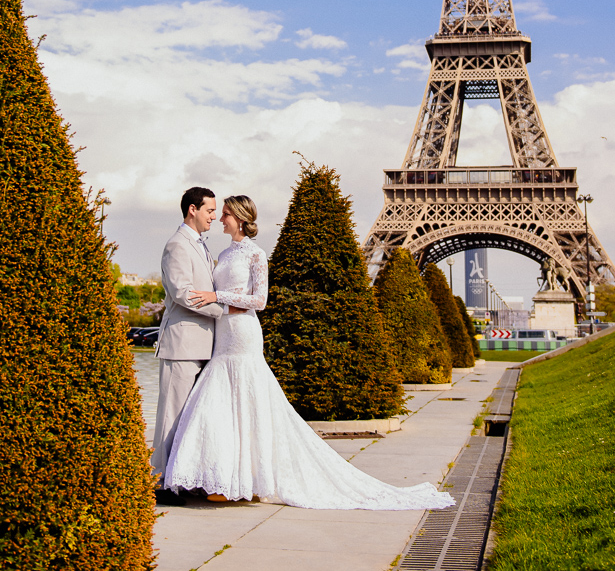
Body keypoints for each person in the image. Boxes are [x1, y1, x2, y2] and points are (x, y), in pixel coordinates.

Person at [164, 195, 455, 511]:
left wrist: (216, 296)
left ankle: (246, 479)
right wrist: (216, 300)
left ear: (240, 217)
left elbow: (259, 300)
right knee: (223, 403)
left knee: (247, 401)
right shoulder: (221, 253)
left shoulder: (256, 254)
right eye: (217, 213)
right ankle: (229, 477)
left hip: (244, 334)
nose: (220, 219)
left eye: (225, 214)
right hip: (223, 335)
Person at [151, 186, 224, 505]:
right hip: (181, 345)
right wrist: (224, 310)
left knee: (191, 417)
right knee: (171, 415)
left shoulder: (201, 246)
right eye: (210, 210)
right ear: (192, 209)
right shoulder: (177, 246)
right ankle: (162, 482)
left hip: (204, 345)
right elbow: (183, 292)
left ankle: (184, 477)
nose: (214, 216)